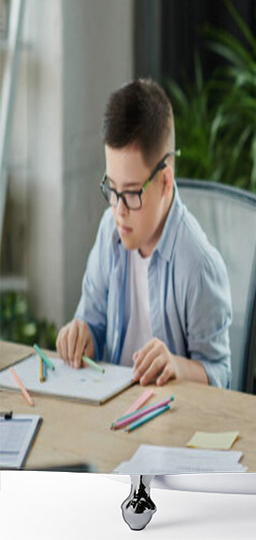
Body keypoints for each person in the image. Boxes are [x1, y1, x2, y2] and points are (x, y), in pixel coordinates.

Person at [56, 79, 233, 389]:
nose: (118, 209)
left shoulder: (198, 265)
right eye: (111, 188)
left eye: (131, 193)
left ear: (165, 182)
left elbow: (222, 376)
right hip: (111, 412)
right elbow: (93, 325)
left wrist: (177, 365)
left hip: (167, 424)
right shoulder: (109, 232)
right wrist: (80, 334)